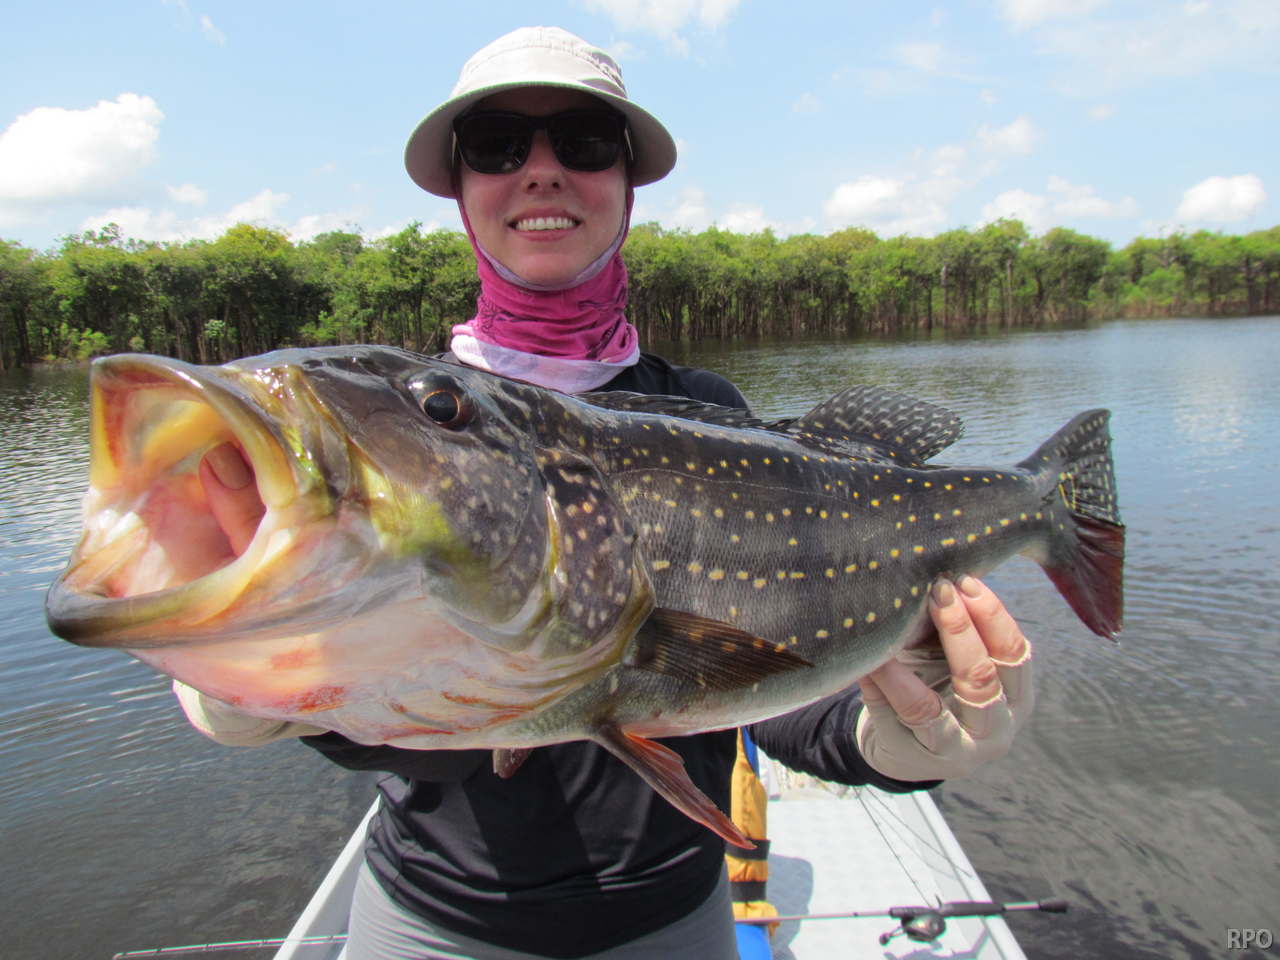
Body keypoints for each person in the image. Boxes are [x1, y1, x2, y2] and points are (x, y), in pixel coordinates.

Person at [180, 26, 1034, 960]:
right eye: (498, 145)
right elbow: (395, 710)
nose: (541, 171)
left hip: (673, 919)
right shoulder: (395, 431)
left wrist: (895, 738)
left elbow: (771, 684)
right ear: (461, 188)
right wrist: (261, 677)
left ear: (627, 182)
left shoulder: (712, 415)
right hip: (432, 918)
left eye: (585, 143)